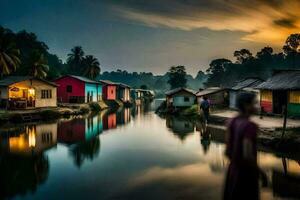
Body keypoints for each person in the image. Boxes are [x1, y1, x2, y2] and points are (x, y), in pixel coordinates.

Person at [223, 92, 266, 200]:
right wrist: (261, 173)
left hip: (233, 172)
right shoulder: (249, 126)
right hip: (246, 174)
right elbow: (247, 155)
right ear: (246, 106)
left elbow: (227, 152)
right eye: (254, 103)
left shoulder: (231, 122)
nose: (257, 106)